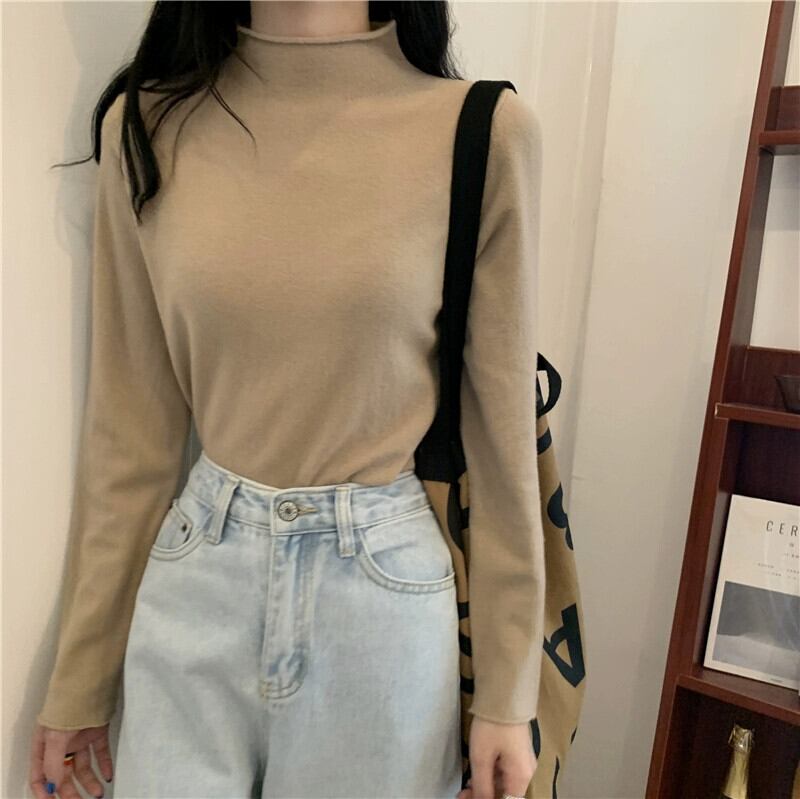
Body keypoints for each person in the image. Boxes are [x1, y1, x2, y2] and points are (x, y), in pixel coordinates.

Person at [29, 2, 545, 797]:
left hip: (381, 607)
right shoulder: (146, 126)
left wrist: (509, 692)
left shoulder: (480, 132)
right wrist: (81, 678)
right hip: (195, 591)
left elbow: (500, 438)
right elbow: (129, 438)